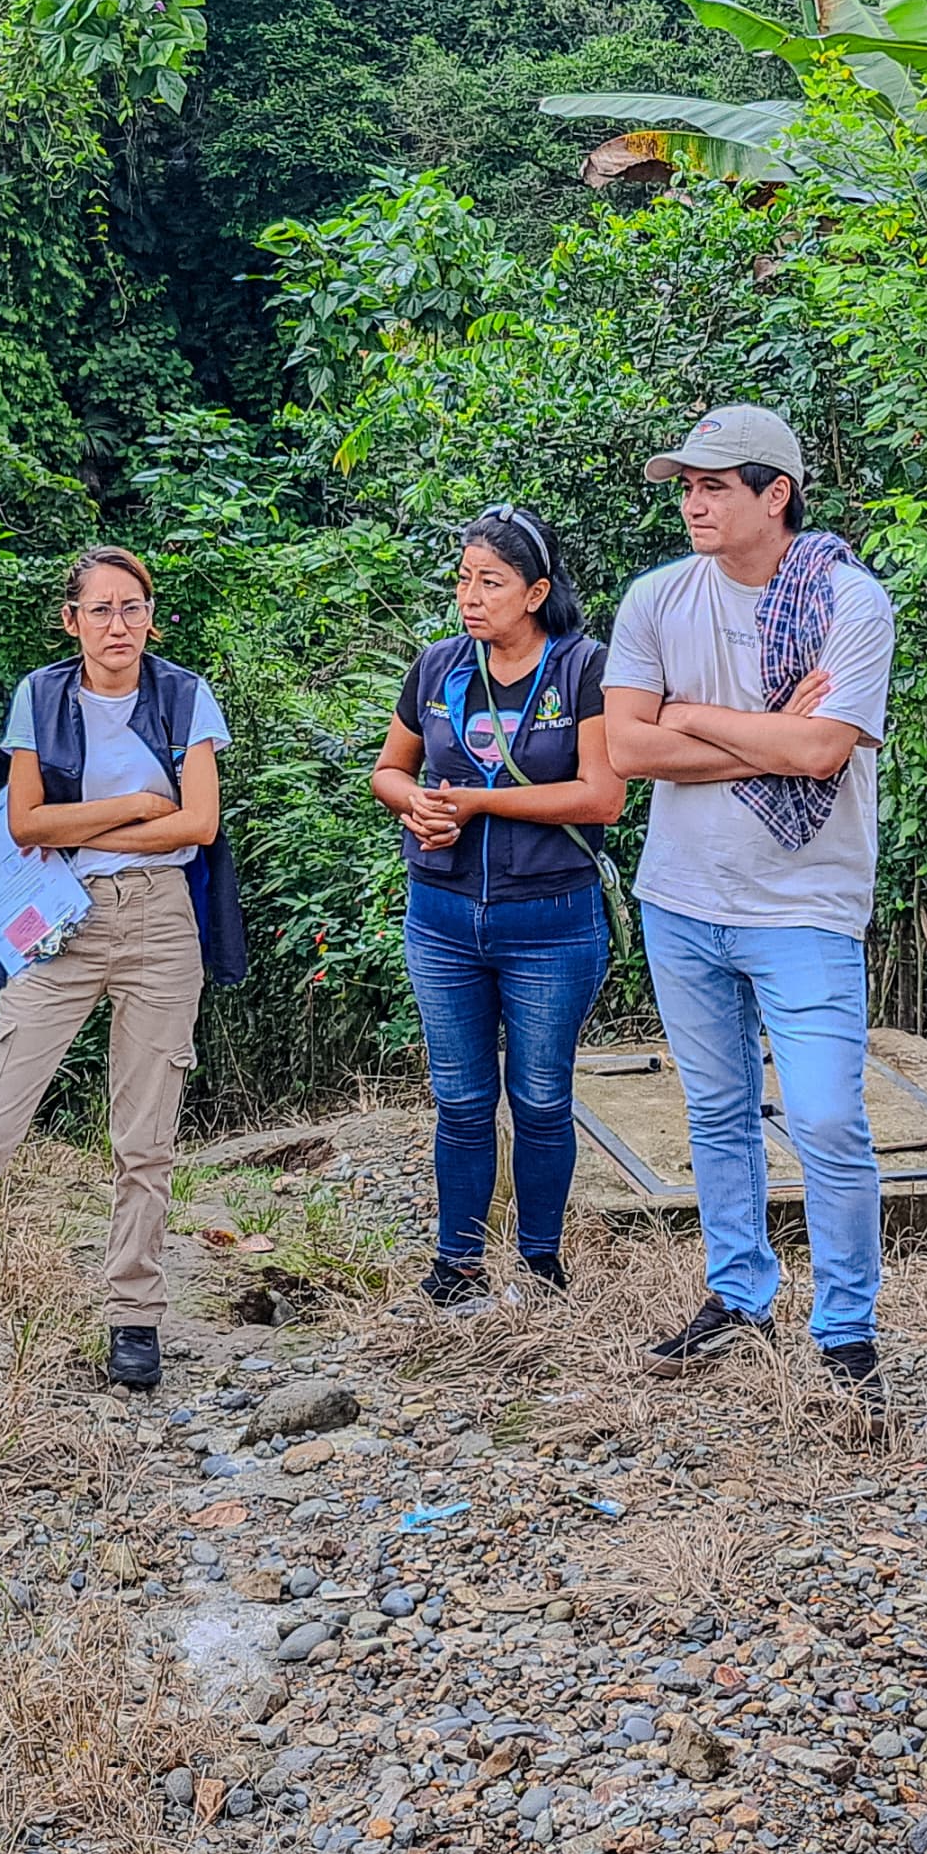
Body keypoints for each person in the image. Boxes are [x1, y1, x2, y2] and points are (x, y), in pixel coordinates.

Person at [0, 547, 245, 1391]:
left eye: (133, 607)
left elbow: (200, 824)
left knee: (145, 1138)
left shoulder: (185, 695)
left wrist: (87, 825)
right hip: (63, 918)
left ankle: (134, 1317)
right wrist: (139, 807)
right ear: (72, 621)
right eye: (100, 609)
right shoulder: (41, 695)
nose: (118, 625)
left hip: (163, 920)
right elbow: (27, 824)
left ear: (152, 617)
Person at [602, 405, 901, 1405]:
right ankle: (738, 1295)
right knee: (716, 1107)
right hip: (680, 896)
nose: (693, 504)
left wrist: (689, 715)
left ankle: (846, 1329)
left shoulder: (848, 602)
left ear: (776, 495)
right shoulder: (656, 598)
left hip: (804, 901)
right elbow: (626, 749)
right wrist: (764, 731)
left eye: (715, 486)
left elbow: (820, 751)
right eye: (686, 486)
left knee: (825, 1116)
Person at [371, 508, 624, 1307]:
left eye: (491, 583)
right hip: (442, 917)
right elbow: (389, 769)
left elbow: (601, 797)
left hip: (551, 919)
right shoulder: (439, 667)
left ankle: (541, 1266)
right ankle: (457, 1265)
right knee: (460, 1099)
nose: (470, 597)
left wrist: (479, 803)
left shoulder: (583, 669)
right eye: (463, 580)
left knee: (542, 1098)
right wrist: (415, 803)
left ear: (536, 593)